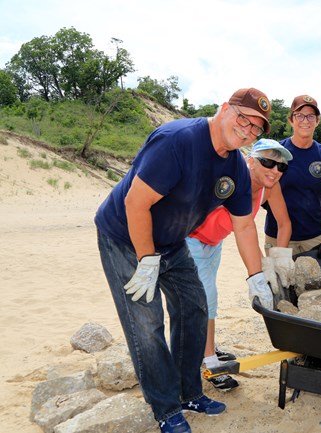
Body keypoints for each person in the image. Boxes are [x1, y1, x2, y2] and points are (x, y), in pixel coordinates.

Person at [95, 87, 275, 433]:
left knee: (194, 306)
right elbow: (136, 204)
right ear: (224, 109)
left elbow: (244, 227)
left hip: (173, 241)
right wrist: (146, 259)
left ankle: (188, 391)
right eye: (244, 119)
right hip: (125, 236)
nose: (248, 130)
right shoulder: (177, 141)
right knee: (146, 324)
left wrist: (257, 276)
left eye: (257, 127)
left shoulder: (236, 166)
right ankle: (165, 408)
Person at [186, 138, 292, 392]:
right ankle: (209, 362)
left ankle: (205, 345)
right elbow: (242, 227)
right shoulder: (232, 179)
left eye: (281, 167)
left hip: (214, 242)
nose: (275, 171)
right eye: (268, 162)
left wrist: (279, 259)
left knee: (206, 298)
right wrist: (255, 276)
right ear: (250, 160)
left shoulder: (270, 187)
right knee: (206, 297)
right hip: (188, 238)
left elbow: (284, 222)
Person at [263, 94, 321, 258]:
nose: (305, 120)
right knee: (278, 283)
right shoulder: (276, 152)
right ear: (291, 120)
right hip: (277, 235)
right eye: (299, 115)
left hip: (314, 237)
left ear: (318, 121)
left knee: (316, 283)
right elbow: (262, 190)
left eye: (311, 116)